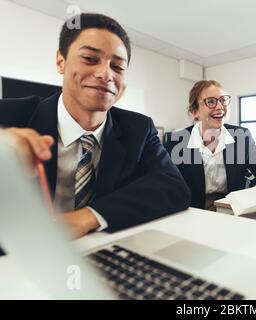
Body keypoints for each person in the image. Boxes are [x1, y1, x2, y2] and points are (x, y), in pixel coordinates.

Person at [0, 13, 191, 240]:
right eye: (90, 59)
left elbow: (173, 187)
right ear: (60, 61)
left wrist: (86, 217)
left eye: (118, 67)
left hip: (103, 250)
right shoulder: (8, 116)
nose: (105, 74)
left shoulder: (138, 128)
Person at [165, 80, 256, 210]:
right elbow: (164, 183)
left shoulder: (241, 137)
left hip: (231, 208)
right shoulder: (176, 141)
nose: (220, 107)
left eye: (223, 100)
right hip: (191, 211)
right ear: (195, 112)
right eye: (211, 102)